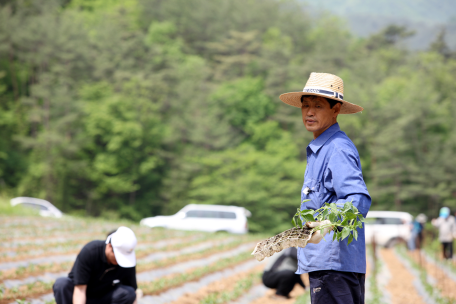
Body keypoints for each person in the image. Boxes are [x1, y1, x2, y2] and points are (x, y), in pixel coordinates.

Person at [279, 72, 371, 304]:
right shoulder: (320, 149)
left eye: (318, 106)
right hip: (326, 264)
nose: (309, 112)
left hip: (335, 266)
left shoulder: (337, 149)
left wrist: (325, 224)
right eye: (306, 106)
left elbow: (358, 198)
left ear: (336, 109)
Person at [53, 226, 138, 304]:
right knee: (62, 284)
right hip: (81, 294)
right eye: (118, 256)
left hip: (103, 298)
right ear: (109, 246)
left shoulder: (127, 262)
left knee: (128, 293)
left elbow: (133, 291)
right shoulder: (91, 251)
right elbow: (80, 289)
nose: (120, 261)